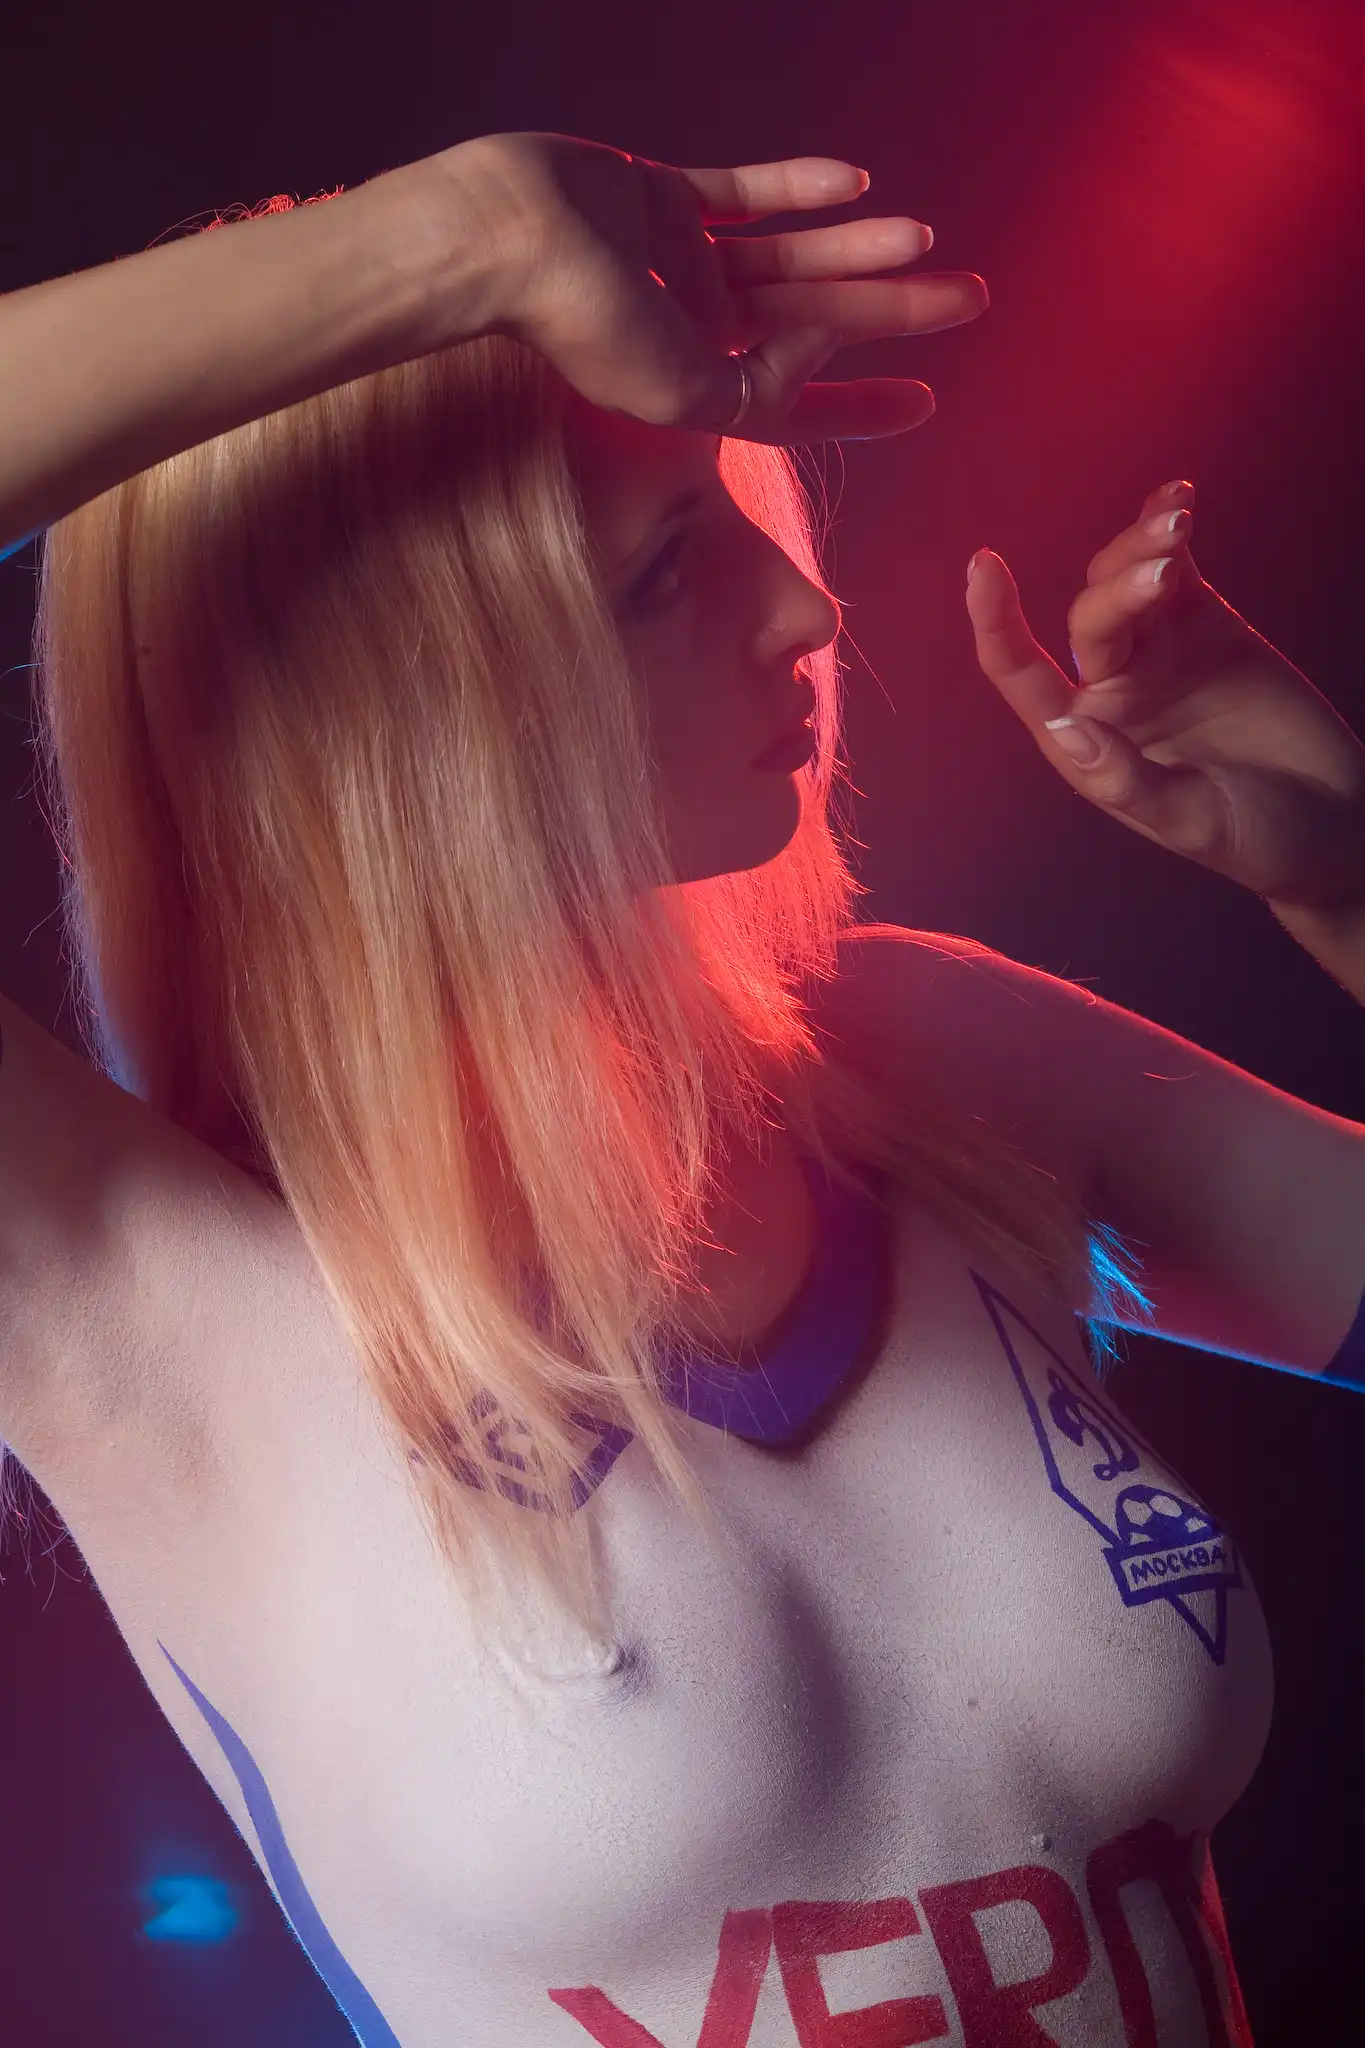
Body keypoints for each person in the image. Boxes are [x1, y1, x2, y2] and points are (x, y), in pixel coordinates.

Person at [3, 130, 1365, 2048]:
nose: (807, 614)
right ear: (403, 695)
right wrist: (444, 249)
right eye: (661, 571)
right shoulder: (140, 1293)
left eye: (734, 516)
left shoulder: (924, 1060)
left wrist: (1347, 882)